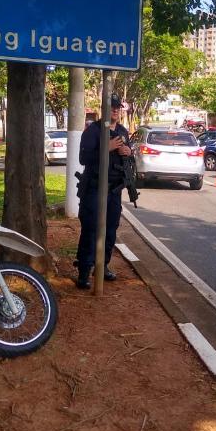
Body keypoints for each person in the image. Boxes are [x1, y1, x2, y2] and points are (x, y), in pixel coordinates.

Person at [75, 93, 132, 289]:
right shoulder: (94, 131)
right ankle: (84, 271)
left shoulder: (123, 131)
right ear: (104, 109)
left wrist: (128, 152)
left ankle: (103, 266)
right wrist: (106, 148)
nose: (115, 110)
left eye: (118, 107)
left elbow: (128, 159)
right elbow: (84, 158)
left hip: (114, 192)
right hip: (94, 190)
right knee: (91, 230)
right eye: (112, 107)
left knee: (110, 230)